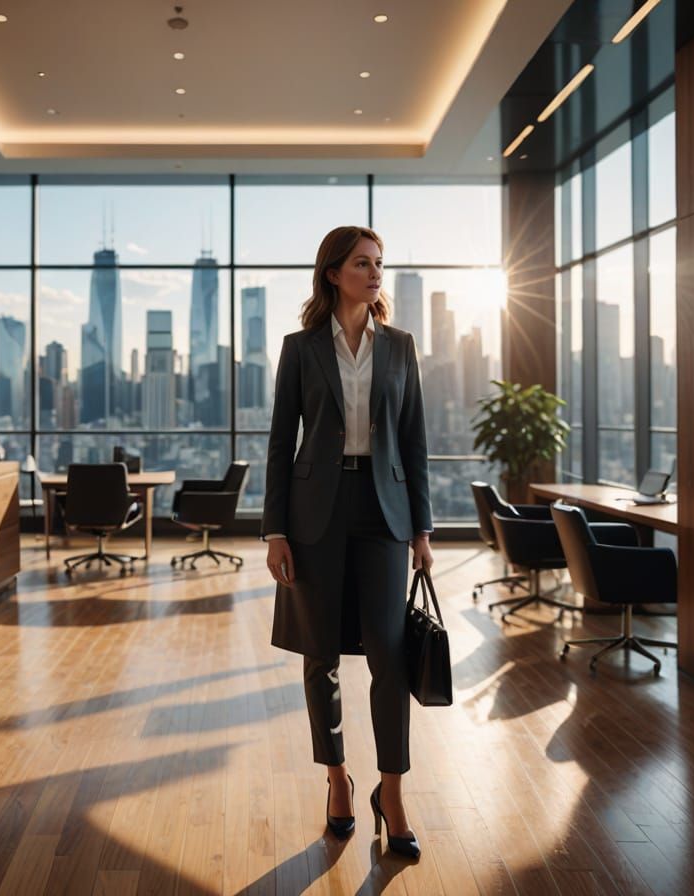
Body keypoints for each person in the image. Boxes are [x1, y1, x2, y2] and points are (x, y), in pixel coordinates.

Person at [261, 225, 434, 859]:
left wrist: (422, 528)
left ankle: (392, 792)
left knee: (390, 655)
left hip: (384, 511)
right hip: (315, 515)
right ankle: (337, 778)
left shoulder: (400, 346)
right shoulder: (301, 348)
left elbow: (413, 440)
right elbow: (282, 443)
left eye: (379, 263)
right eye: (363, 263)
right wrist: (275, 529)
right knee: (321, 654)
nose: (375, 272)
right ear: (334, 273)